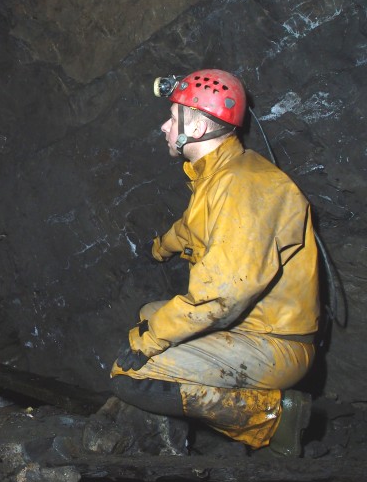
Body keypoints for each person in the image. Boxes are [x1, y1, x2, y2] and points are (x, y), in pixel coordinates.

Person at [109, 69, 319, 457]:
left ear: (201, 127)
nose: (164, 126)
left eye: (173, 119)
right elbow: (193, 227)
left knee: (129, 375)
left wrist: (150, 342)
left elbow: (220, 297)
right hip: (254, 327)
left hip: (275, 344)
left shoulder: (242, 188)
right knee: (148, 312)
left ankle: (274, 417)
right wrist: (160, 248)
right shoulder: (222, 173)